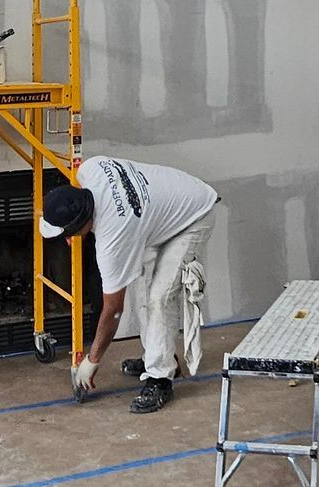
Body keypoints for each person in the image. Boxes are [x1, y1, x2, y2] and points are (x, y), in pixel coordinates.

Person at [40, 155, 218, 413]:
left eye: (67, 233)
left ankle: (161, 378)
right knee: (140, 283)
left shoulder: (113, 240)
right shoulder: (90, 169)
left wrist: (92, 360)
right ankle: (157, 356)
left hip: (194, 216)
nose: (67, 240)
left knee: (160, 296)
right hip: (160, 214)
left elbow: (113, 309)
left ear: (81, 224)